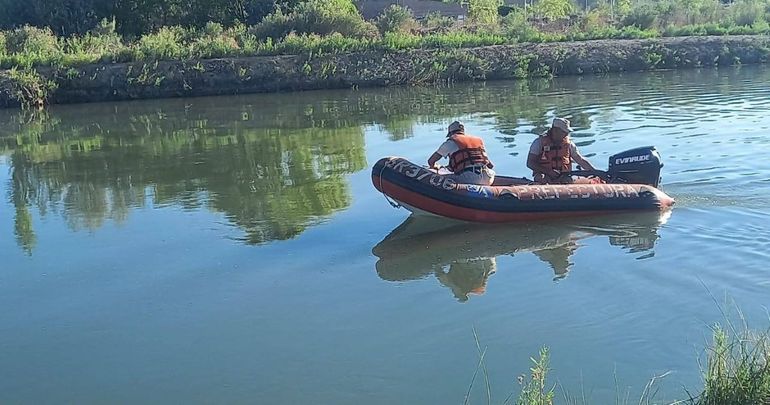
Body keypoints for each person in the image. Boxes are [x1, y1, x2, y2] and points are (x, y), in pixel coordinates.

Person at [527, 117, 597, 184]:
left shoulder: (568, 144)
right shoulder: (539, 142)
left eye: (567, 132)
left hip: (564, 175)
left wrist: (595, 172)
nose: (567, 134)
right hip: (544, 175)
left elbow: (580, 160)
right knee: (541, 178)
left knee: (568, 180)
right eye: (564, 131)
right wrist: (548, 171)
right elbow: (530, 163)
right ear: (555, 130)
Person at [427, 121, 495, 186]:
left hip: (471, 178)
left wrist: (434, 167)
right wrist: (444, 167)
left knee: (440, 179)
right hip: (488, 176)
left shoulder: (450, 143)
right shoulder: (478, 140)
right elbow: (487, 164)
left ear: (451, 133)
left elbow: (431, 161)